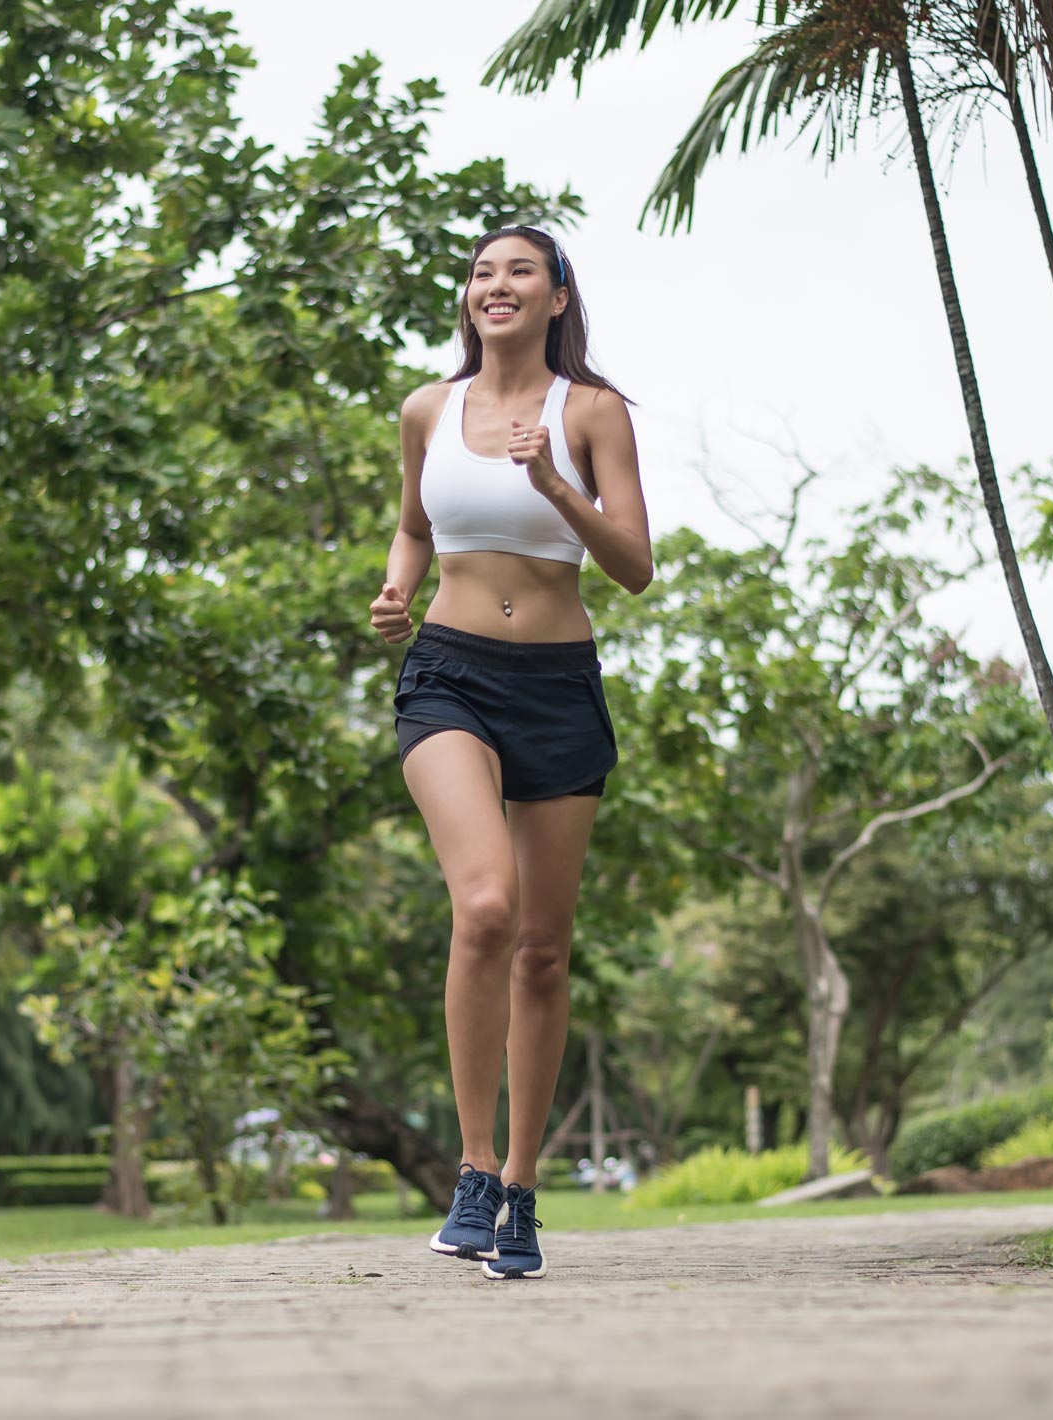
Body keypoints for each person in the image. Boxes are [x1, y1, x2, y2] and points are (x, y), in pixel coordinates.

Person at [369, 224, 652, 1279]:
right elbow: (410, 524)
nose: (497, 286)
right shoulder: (426, 412)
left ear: (557, 298)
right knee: (483, 905)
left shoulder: (591, 411)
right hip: (446, 674)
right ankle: (475, 1165)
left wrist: (556, 487)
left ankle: (524, 1188)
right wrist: (397, 589)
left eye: (519, 271)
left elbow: (632, 566)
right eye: (482, 273)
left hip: (556, 688)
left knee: (541, 945)